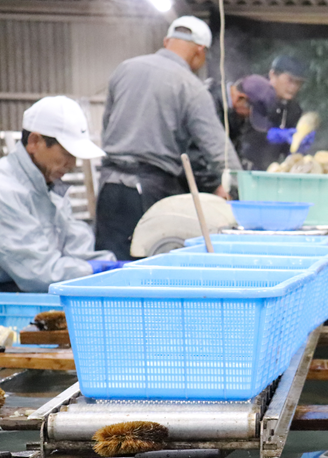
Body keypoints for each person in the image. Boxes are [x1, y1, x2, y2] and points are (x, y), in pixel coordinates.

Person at [96, 15, 241, 260]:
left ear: (166, 41)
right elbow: (218, 150)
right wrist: (235, 184)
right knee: (148, 266)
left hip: (109, 185)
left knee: (108, 263)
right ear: (200, 51)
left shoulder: (125, 68)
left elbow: (107, 124)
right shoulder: (191, 87)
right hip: (150, 193)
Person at [0, 96, 123, 293]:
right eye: (67, 153)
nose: (72, 164)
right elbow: (38, 273)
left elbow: (75, 247)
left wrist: (110, 266)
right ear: (34, 142)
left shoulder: (51, 188)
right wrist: (92, 270)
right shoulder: (5, 192)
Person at [209, 75, 277, 170]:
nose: (247, 117)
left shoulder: (235, 114)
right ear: (240, 98)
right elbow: (199, 154)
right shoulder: (210, 106)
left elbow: (234, 152)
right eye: (250, 112)